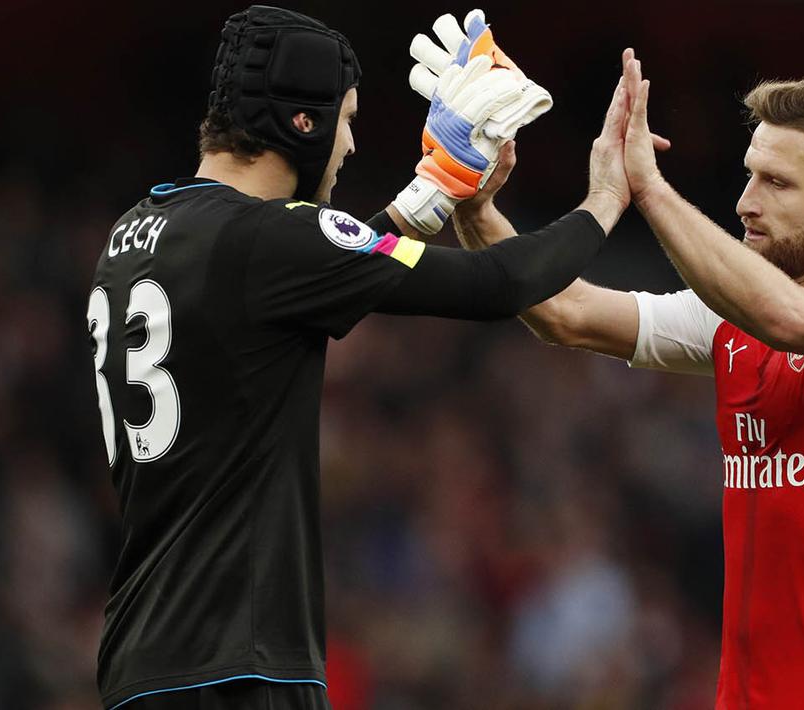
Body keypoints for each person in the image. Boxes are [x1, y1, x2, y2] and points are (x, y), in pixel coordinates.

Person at [85, 7, 632, 709]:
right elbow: (502, 283)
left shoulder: (139, 231)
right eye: (344, 119)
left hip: (143, 657)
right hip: (239, 669)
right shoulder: (269, 243)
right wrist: (608, 197)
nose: (349, 144)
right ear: (301, 124)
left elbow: (313, 265)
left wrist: (434, 188)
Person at [454, 50, 804, 709]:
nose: (746, 202)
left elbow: (791, 317)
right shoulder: (727, 320)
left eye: (777, 183)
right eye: (749, 176)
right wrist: (468, 197)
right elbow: (563, 313)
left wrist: (648, 188)